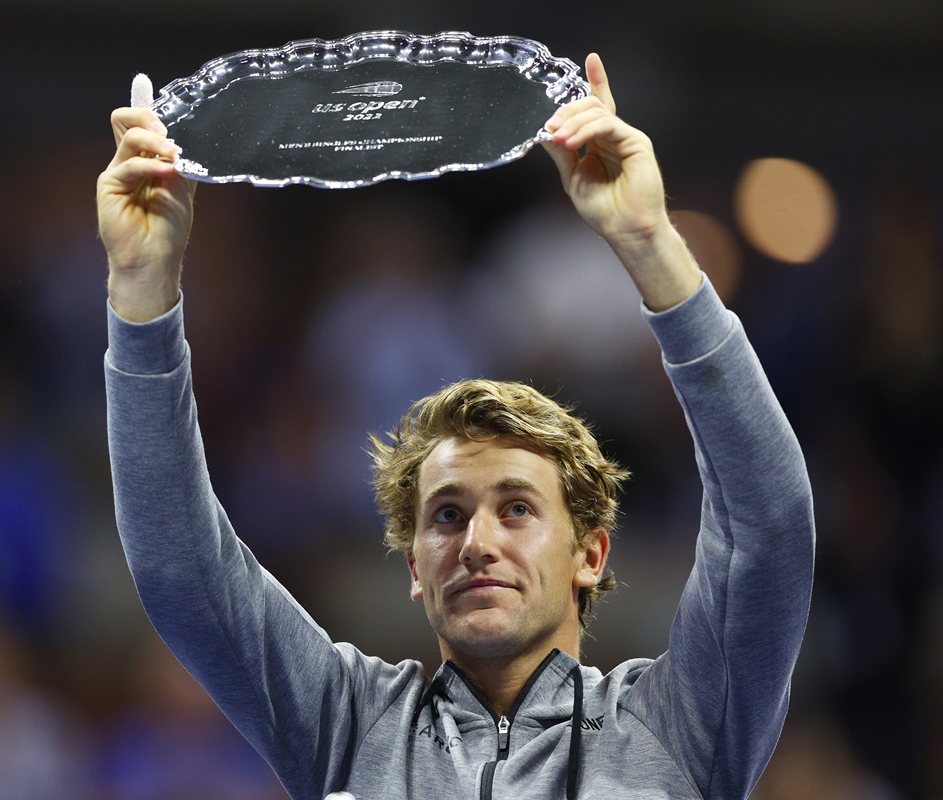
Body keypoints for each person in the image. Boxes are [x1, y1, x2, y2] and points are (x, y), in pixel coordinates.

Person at [97, 53, 815, 799]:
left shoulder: (678, 725)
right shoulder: (347, 722)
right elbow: (180, 566)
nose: (477, 544)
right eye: (446, 516)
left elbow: (769, 522)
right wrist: (142, 289)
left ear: (591, 554)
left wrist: (650, 243)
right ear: (414, 567)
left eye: (517, 509)